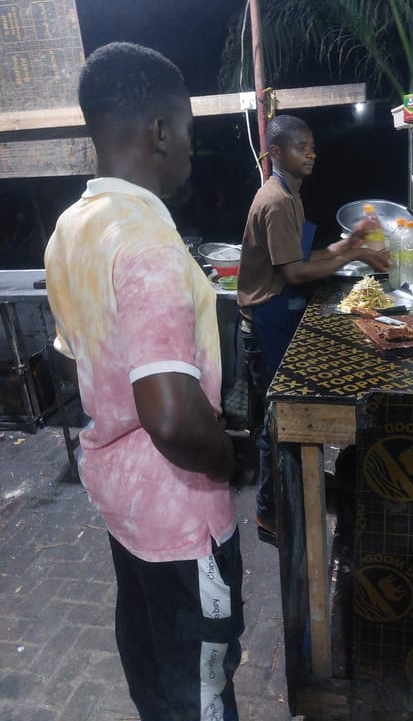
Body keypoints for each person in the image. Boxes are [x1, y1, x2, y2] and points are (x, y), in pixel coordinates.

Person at [44, 42, 243, 721]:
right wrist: (232, 461)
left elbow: (77, 360)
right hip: (180, 515)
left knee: (157, 678)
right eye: (187, 131)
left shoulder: (72, 228)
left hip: (122, 507)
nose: (190, 149)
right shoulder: (148, 242)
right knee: (201, 693)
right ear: (161, 132)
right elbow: (170, 419)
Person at [236, 114, 389, 545]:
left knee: (283, 417)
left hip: (276, 313)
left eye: (313, 146)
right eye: (301, 147)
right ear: (277, 152)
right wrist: (354, 256)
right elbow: (296, 272)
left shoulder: (290, 193)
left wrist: (352, 242)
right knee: (276, 422)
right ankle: (270, 512)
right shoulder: (277, 201)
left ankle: (296, 491)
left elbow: (309, 256)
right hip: (266, 320)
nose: (311, 154)